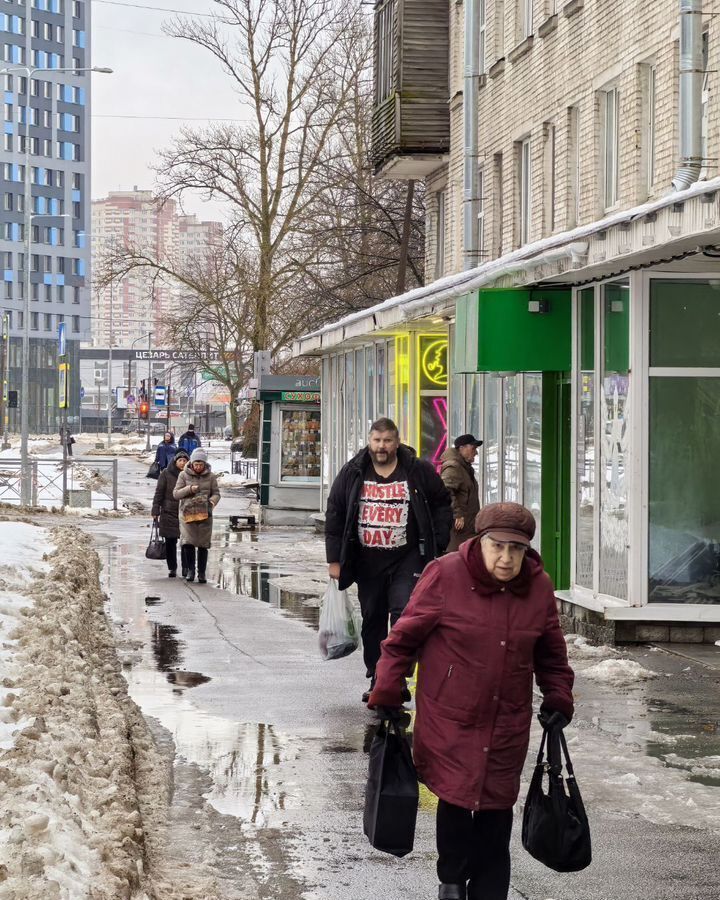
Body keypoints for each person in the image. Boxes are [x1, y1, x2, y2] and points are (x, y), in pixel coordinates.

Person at [368, 502, 574, 900]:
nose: (507, 557)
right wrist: (388, 689)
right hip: (452, 716)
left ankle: (488, 892)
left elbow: (551, 652)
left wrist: (558, 695)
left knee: (496, 811)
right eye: (498, 546)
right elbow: (402, 640)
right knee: (457, 802)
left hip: (507, 718)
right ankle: (451, 884)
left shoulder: (539, 587)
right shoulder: (445, 575)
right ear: (480, 542)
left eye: (516, 549)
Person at [325, 417, 452, 703]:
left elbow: (442, 502)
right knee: (372, 618)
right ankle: (377, 675)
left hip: (408, 558)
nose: (381, 446)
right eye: (377, 440)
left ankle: (396, 677)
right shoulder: (354, 471)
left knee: (404, 616)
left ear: (396, 442)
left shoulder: (417, 470)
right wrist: (335, 560)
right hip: (367, 560)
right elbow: (335, 513)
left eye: (387, 441)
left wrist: (438, 542)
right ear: (370, 441)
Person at [173, 447, 220, 584]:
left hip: (205, 514)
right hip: (187, 514)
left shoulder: (211, 477)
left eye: (201, 464)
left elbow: (216, 493)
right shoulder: (183, 475)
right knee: (188, 542)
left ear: (205, 464)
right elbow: (176, 494)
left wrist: (212, 501)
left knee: (203, 545)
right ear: (192, 463)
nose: (198, 467)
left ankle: (202, 573)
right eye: (196, 464)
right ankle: (190, 570)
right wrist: (189, 489)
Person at [151, 449, 191, 578]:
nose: (182, 463)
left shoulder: (190, 474)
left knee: (187, 542)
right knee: (170, 542)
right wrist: (155, 510)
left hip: (186, 511)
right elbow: (159, 492)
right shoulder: (166, 474)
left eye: (185, 461)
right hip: (168, 512)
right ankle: (172, 567)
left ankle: (186, 567)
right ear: (175, 461)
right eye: (180, 460)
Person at [440, 434, 482, 552]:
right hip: (458, 530)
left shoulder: (464, 468)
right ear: (461, 448)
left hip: (466, 528)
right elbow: (446, 490)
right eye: (473, 448)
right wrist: (457, 514)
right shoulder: (454, 466)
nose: (476, 453)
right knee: (456, 563)